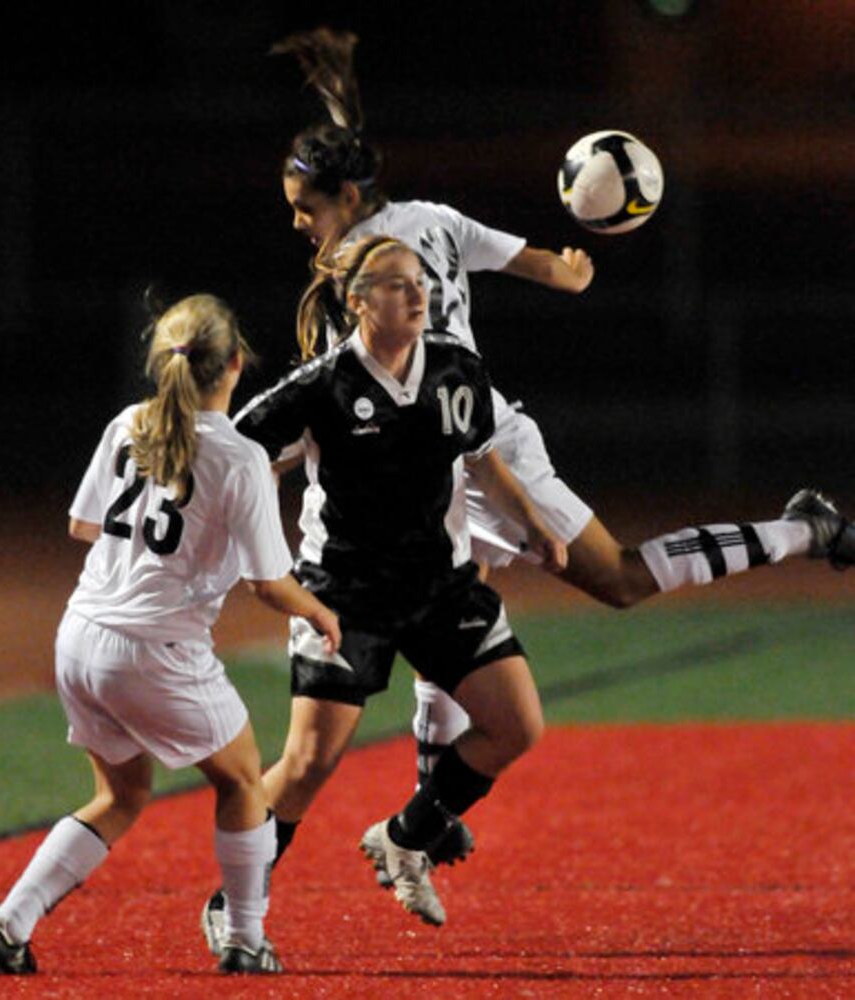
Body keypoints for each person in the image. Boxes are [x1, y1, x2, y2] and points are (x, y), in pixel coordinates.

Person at [269, 26, 855, 844]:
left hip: (477, 445)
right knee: (443, 588)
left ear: (346, 199)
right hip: (432, 452)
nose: (297, 223)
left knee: (615, 579)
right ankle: (429, 808)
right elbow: (555, 269)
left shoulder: (349, 279)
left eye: (304, 207)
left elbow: (341, 388)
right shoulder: (429, 219)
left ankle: (804, 528)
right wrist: (583, 256)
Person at [0, 294, 340, 977]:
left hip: (79, 638)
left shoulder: (128, 424)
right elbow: (267, 583)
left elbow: (85, 527)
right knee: (243, 785)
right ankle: (247, 938)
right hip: (153, 650)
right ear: (235, 364)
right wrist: (319, 613)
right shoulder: (240, 456)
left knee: (123, 794)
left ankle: (8, 923)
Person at [216, 234, 568, 931]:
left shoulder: (456, 368)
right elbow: (237, 457)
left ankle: (404, 839)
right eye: (398, 284)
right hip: (345, 595)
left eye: (421, 285)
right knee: (309, 761)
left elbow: (483, 460)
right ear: (357, 300)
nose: (417, 296)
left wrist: (533, 524)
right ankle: (232, 903)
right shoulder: (320, 386)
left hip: (441, 586)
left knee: (516, 724)